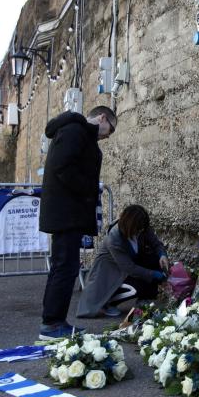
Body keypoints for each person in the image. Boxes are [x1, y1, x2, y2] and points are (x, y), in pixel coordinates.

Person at [38, 105, 117, 339]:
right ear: (102, 118)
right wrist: (87, 190)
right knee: (64, 267)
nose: (107, 136)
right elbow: (64, 168)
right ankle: (52, 323)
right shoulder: (74, 130)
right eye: (109, 130)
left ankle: (54, 320)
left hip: (68, 211)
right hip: (66, 212)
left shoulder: (78, 132)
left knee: (65, 266)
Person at [76, 204, 170, 318]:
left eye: (142, 229)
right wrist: (155, 275)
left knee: (154, 260)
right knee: (139, 284)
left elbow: (156, 244)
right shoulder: (114, 238)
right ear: (130, 225)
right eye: (138, 229)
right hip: (111, 274)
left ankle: (144, 299)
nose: (140, 232)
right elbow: (129, 268)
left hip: (129, 267)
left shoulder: (142, 227)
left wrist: (162, 255)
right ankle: (108, 302)